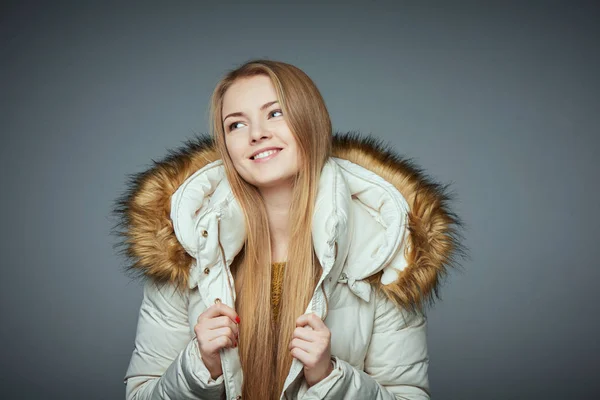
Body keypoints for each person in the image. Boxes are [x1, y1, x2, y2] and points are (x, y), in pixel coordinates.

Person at [113, 59, 463, 400]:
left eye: (275, 113)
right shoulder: (188, 245)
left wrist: (329, 378)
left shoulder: (380, 249)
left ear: (311, 121)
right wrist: (200, 364)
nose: (257, 134)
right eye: (236, 124)